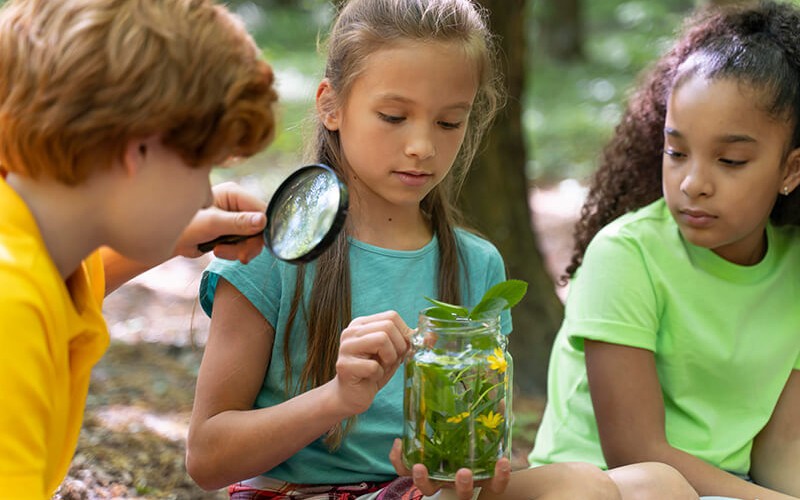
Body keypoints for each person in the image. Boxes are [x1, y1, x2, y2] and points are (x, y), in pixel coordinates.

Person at [186, 0, 698, 499]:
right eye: (393, 116)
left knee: (660, 484)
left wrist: (475, 469)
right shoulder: (272, 254)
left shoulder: (478, 265)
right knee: (581, 487)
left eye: (449, 122)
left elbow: (476, 442)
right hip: (306, 492)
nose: (422, 147)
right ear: (331, 105)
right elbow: (207, 459)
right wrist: (337, 398)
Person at [0, 0, 278, 497]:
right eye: (201, 168)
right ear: (139, 151)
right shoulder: (11, 312)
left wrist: (169, 235)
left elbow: (65, 284)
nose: (201, 194)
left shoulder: (28, 242)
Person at [528, 1, 800, 499]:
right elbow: (636, 451)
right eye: (676, 152)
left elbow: (782, 448)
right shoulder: (626, 256)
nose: (693, 183)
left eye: (731, 160)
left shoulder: (794, 267)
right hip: (613, 488)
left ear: (791, 170)